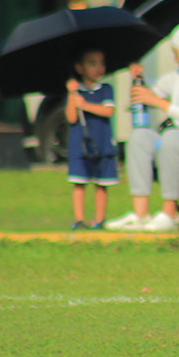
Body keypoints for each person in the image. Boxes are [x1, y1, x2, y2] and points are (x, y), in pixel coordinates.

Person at [106, 21, 179, 232]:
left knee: (171, 138)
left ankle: (170, 213)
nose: (175, 59)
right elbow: (154, 93)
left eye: (178, 54)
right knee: (140, 136)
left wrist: (162, 104)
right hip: (176, 139)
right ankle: (140, 214)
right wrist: (139, 79)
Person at [65, 48, 118, 230]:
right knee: (79, 183)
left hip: (102, 144)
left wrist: (85, 105)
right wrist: (73, 95)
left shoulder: (106, 89)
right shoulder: (75, 92)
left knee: (101, 183)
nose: (99, 68)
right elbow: (71, 117)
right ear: (80, 68)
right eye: (92, 63)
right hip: (80, 146)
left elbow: (108, 110)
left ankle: (99, 220)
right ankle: (79, 219)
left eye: (101, 63)